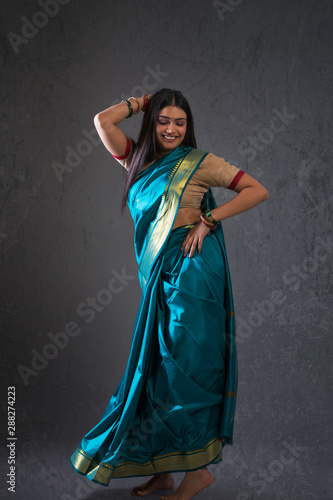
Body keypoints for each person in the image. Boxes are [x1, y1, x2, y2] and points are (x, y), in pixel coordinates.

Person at [70, 88, 269, 499]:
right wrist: (145, 101)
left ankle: (198, 472)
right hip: (158, 278)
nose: (172, 129)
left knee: (185, 368)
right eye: (163, 121)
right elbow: (102, 122)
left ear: (188, 126)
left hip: (194, 276)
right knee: (159, 369)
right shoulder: (135, 160)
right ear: (152, 124)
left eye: (180, 122)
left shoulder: (199, 162)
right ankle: (162, 470)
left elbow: (256, 190)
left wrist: (208, 218)